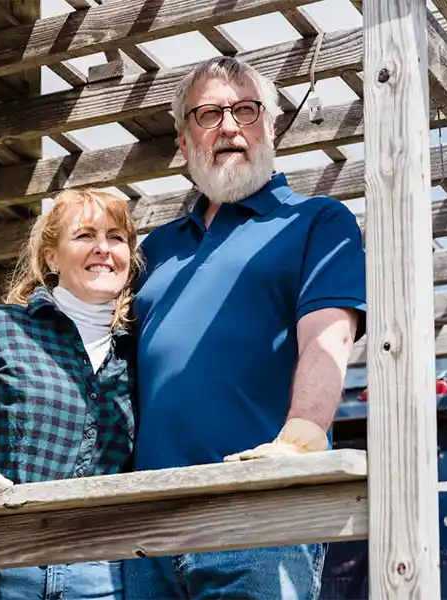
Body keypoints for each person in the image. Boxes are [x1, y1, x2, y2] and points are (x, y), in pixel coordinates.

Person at [124, 56, 367, 599]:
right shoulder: (154, 250)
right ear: (184, 143)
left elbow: (328, 337)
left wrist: (301, 439)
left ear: (271, 127)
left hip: (259, 512)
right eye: (208, 114)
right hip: (146, 524)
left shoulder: (318, 222)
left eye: (246, 110)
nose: (230, 126)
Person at [0, 188, 143, 600]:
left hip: (101, 577)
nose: (103, 249)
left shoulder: (136, 355)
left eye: (116, 237)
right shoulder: (0, 328)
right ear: (51, 257)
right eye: (85, 235)